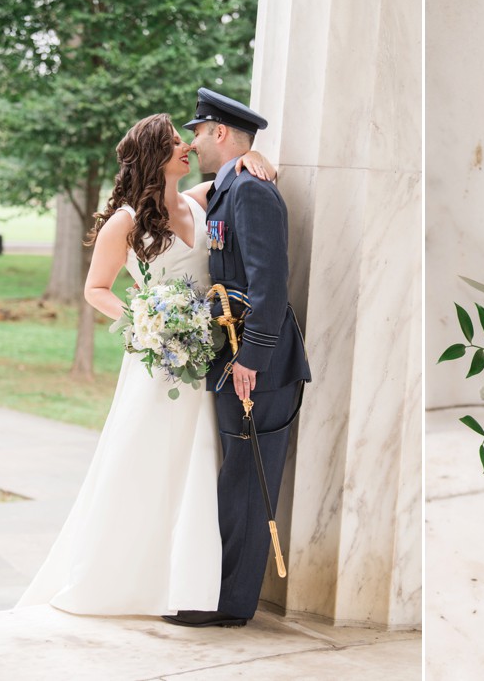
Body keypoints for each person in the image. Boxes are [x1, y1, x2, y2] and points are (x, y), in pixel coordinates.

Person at [17, 113, 274, 616]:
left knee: (193, 461)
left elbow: (239, 171)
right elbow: (95, 290)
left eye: (185, 142)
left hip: (199, 358)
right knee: (142, 460)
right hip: (156, 362)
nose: (186, 149)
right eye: (176, 143)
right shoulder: (127, 220)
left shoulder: (199, 202)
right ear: (154, 156)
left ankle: (180, 584)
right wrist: (146, 323)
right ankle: (117, 578)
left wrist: (252, 155)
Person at [162, 89, 311, 628]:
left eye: (198, 132)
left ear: (219, 133)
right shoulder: (230, 188)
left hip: (258, 365)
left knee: (247, 480)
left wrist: (251, 358)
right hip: (234, 357)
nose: (193, 141)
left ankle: (229, 605)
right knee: (236, 477)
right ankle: (218, 592)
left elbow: (271, 284)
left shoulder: (250, 192)